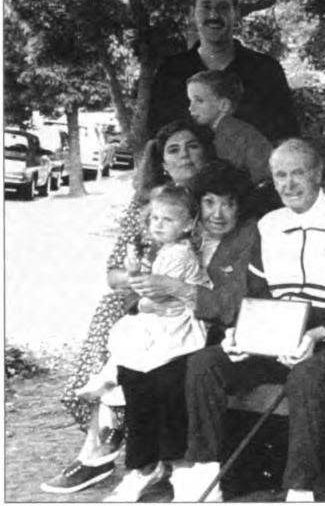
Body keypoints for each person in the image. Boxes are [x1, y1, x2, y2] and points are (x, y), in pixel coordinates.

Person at [176, 139, 325, 502]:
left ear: (318, 173)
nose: (288, 184)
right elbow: (257, 297)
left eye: (297, 173)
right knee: (205, 364)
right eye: (279, 175)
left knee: (306, 375)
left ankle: (299, 489)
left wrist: (317, 335)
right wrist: (243, 334)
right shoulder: (269, 225)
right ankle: (204, 474)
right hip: (280, 338)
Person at [41, 120, 217, 495]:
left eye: (192, 146)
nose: (184, 155)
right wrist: (140, 281)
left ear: (206, 152)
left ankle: (110, 441)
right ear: (162, 162)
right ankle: (99, 444)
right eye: (173, 149)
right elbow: (114, 273)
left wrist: (161, 289)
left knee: (135, 337)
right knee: (113, 312)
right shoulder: (146, 206)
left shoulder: (217, 199)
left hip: (188, 308)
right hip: (148, 297)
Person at [76, 184, 210, 401]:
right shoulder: (165, 249)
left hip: (177, 316)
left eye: (168, 220)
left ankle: (112, 378)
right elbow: (148, 289)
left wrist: (135, 275)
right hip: (163, 311)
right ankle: (110, 376)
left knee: (138, 337)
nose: (159, 225)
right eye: (155, 218)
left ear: (187, 225)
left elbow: (157, 293)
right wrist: (136, 276)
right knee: (128, 331)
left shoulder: (179, 254)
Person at [147, 0, 300, 143]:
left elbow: (287, 139)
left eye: (223, 7)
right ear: (192, 14)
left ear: (237, 13)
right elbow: (157, 139)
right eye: (206, 7)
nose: (214, 15)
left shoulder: (266, 70)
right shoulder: (170, 72)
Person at [187, 69, 273, 184]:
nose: (191, 108)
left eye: (199, 101)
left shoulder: (230, 134)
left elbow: (225, 179)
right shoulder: (228, 130)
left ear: (224, 105)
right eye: (190, 101)